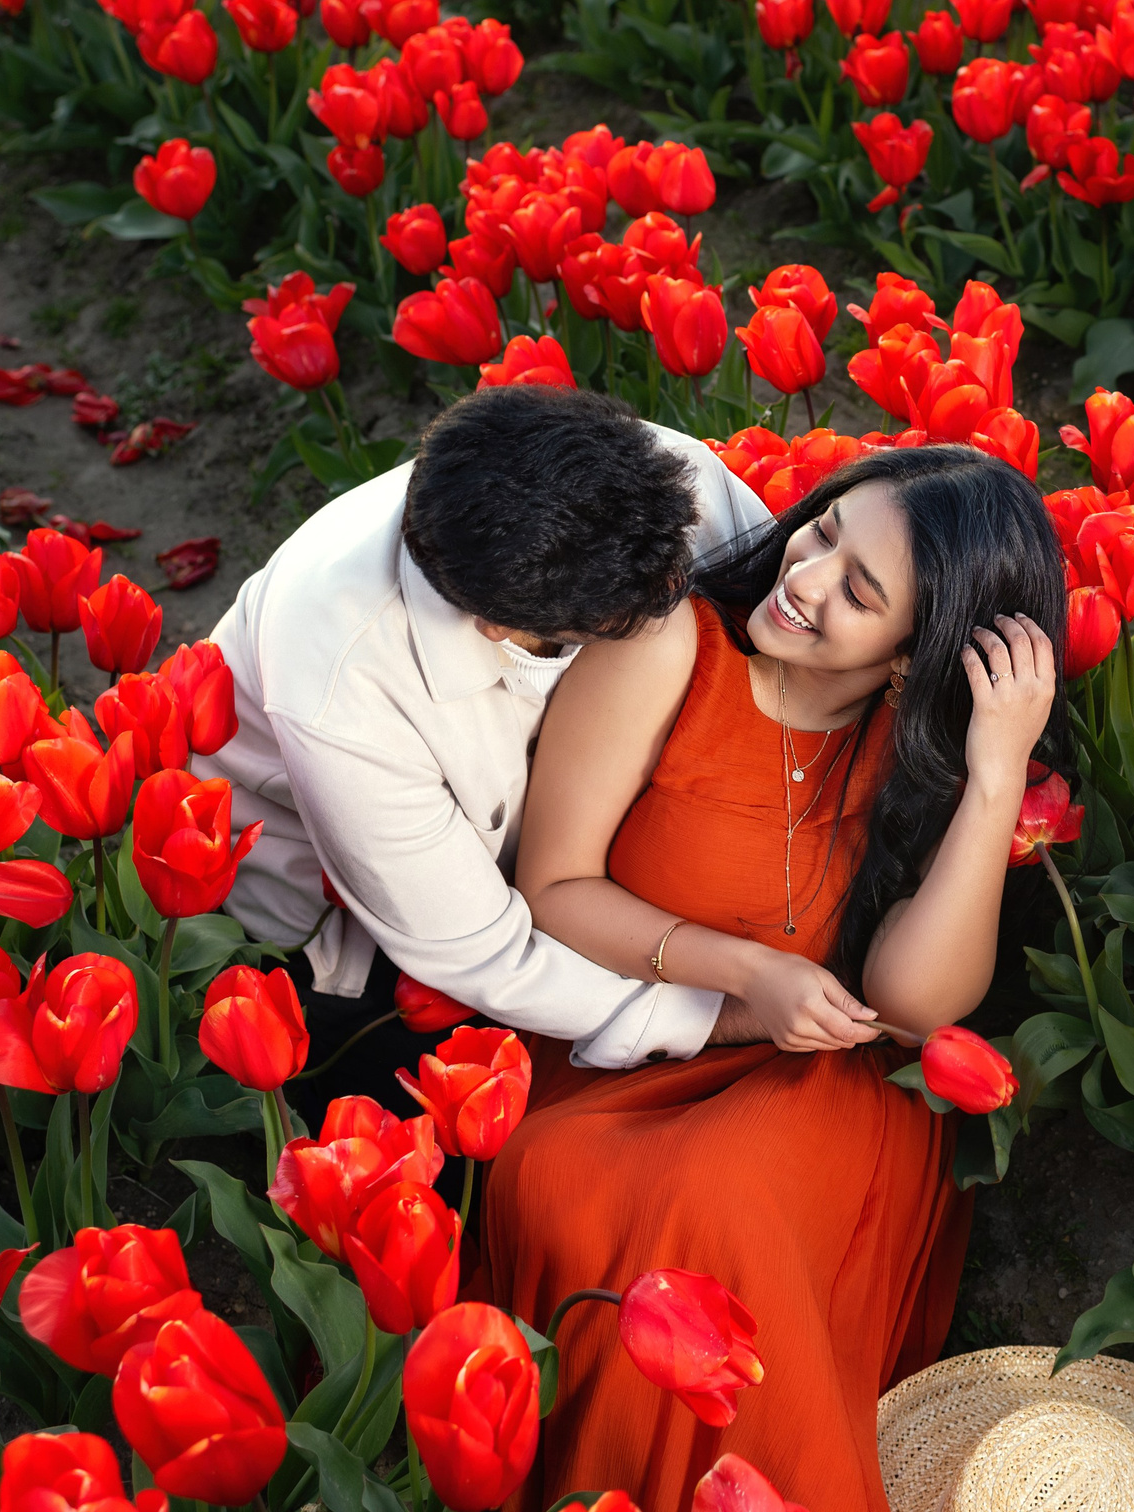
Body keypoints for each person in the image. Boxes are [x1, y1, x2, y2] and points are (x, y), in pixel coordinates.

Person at [480, 444, 1069, 1512]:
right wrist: (741, 972)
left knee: (722, 1194)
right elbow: (550, 887)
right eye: (824, 533)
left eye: (858, 592)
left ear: (911, 658)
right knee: (568, 1182)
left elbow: (908, 1003)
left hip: (814, 1080)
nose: (805, 577)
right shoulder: (668, 650)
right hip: (625, 1046)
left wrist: (997, 775)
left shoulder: (915, 754)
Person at [192, 386, 769, 1107]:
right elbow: (479, 951)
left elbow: (773, 609)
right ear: (496, 627)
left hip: (594, 855)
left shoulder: (661, 478)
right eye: (624, 629)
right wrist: (719, 1015)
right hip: (357, 920)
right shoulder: (342, 680)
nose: (679, 603)